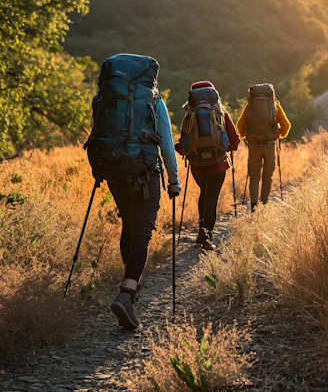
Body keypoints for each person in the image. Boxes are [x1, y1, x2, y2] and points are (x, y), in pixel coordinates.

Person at [84, 53, 180, 329]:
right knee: (142, 232)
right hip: (144, 172)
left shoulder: (105, 98)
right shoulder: (154, 101)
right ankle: (127, 293)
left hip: (113, 168)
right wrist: (173, 181)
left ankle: (132, 279)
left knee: (129, 222)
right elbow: (166, 146)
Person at [175, 81, 240, 250]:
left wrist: (185, 152)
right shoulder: (220, 113)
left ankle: (201, 234)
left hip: (197, 166)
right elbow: (234, 141)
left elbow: (182, 143)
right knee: (211, 198)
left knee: (204, 195)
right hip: (218, 164)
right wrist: (227, 148)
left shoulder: (189, 116)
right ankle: (207, 237)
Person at [236, 83, 290, 211]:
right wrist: (278, 135)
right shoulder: (275, 106)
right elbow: (287, 125)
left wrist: (245, 135)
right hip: (270, 145)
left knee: (254, 175)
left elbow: (239, 126)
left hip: (254, 145)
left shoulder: (249, 107)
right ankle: (263, 205)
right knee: (268, 176)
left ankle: (254, 206)